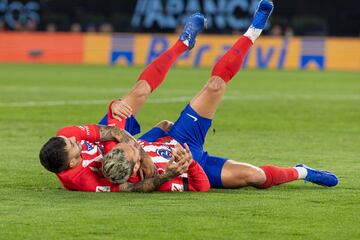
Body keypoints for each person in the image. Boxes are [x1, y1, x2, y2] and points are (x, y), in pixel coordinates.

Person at [103, 0, 339, 190]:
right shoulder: (150, 180)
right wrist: (186, 166)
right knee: (253, 176)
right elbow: (200, 186)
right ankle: (303, 171)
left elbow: (159, 129)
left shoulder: (122, 153)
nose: (131, 142)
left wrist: (122, 110)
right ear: (135, 170)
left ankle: (254, 29)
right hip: (197, 164)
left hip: (181, 136)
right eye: (131, 148)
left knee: (215, 85)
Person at [39, 13, 207, 192]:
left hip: (109, 142)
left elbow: (112, 131)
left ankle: (183, 44)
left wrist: (142, 154)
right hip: (118, 161)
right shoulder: (84, 181)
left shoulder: (65, 134)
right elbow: (128, 188)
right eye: (72, 144)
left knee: (140, 90)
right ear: (72, 162)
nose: (74, 138)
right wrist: (163, 177)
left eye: (68, 139)